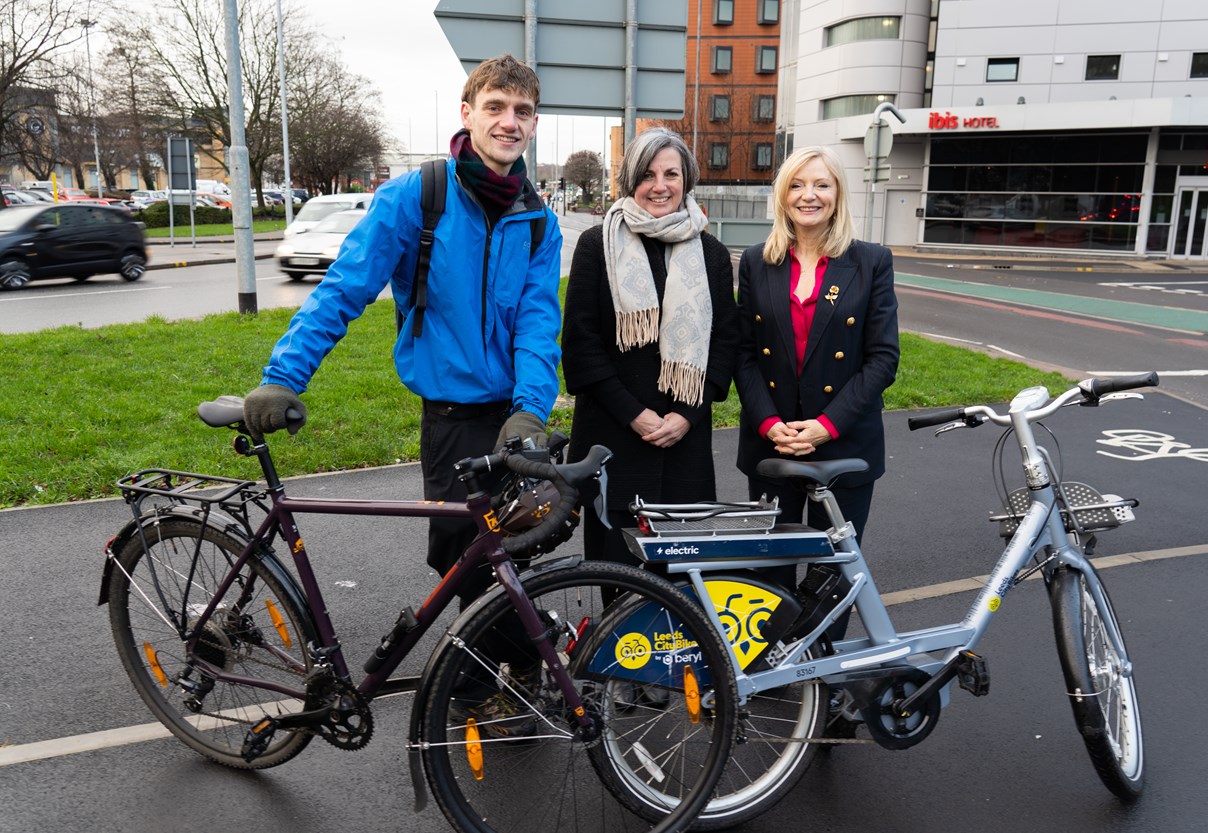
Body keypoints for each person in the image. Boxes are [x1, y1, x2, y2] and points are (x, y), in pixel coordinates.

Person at [241, 55, 562, 733]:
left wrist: (531, 407)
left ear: (534, 123)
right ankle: (480, 687)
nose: (509, 122)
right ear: (467, 111)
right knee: (461, 556)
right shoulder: (419, 196)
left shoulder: (537, 218)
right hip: (448, 414)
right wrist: (283, 375)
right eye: (496, 106)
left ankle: (509, 676)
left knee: (519, 552)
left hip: (509, 417)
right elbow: (343, 289)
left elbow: (539, 319)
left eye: (523, 111)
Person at [562, 128, 738, 572]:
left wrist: (687, 416)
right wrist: (635, 415)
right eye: (647, 174)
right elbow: (581, 348)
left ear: (687, 179)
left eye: (671, 174)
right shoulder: (596, 244)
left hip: (684, 446)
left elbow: (726, 343)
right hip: (613, 441)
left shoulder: (712, 254)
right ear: (630, 180)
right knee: (618, 582)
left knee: (683, 587)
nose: (660, 186)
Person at [735, 145, 900, 591]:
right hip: (774, 444)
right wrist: (769, 424)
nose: (809, 195)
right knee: (771, 570)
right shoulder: (757, 261)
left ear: (837, 195)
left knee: (834, 572)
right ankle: (777, 660)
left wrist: (827, 425)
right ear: (783, 195)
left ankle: (822, 659)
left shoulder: (870, 262)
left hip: (844, 441)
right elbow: (745, 354)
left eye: (821, 184)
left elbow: (883, 358)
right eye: (797, 184)